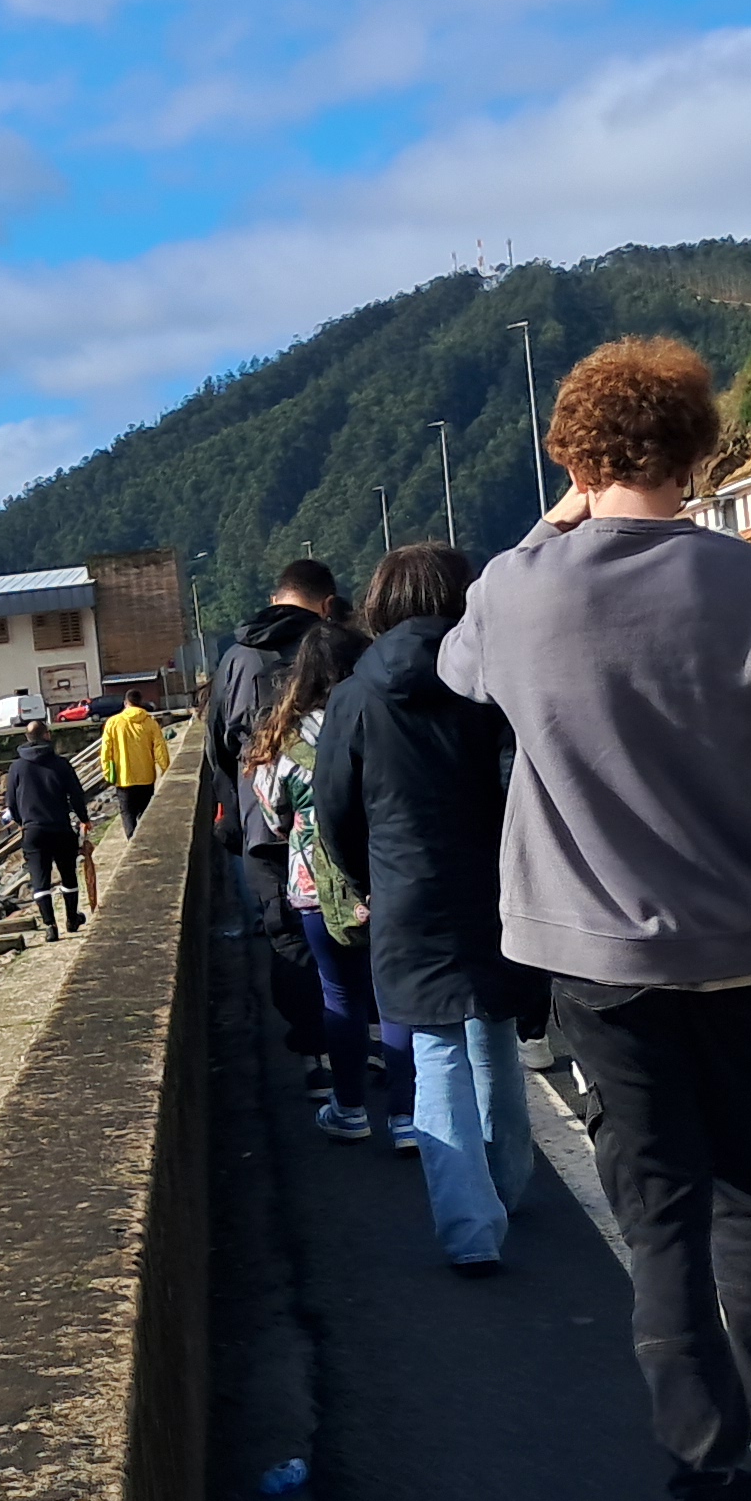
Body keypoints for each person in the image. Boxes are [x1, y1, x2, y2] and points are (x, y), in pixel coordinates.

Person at [439, 339, 751, 1501]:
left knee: (661, 1222)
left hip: (595, 962)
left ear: (573, 451)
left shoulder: (516, 591)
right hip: (745, 947)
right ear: (699, 448)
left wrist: (550, 523)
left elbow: (455, 673)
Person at [317, 541, 539, 1265]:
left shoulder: (355, 694)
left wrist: (367, 876)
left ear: (380, 604)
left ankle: (470, 1229)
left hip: (406, 890)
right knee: (495, 1035)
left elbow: (335, 812)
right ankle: (509, 1185)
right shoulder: (491, 678)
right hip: (497, 883)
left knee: (439, 1050)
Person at [204, 560, 344, 1076]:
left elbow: (217, 746)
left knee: (288, 936)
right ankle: (365, 1038)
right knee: (348, 925)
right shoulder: (335, 645)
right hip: (333, 812)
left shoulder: (237, 657)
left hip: (262, 820)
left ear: (275, 596)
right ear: (327, 604)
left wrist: (236, 815)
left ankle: (314, 1054)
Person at [250, 620, 380, 1136]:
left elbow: (273, 815)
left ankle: (348, 1108)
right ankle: (408, 1114)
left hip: (313, 886)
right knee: (388, 995)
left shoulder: (284, 739)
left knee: (339, 996)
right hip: (383, 875)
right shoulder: (378, 718)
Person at [3, 727, 92, 940]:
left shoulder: (17, 767)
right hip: (60, 827)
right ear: (47, 736)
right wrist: (83, 818)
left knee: (39, 879)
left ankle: (50, 926)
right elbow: (76, 795)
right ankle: (72, 918)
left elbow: (11, 803)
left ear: (27, 737)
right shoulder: (61, 764)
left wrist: (20, 821)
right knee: (68, 875)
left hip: (33, 831)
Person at [98, 693, 168, 832]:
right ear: (140, 702)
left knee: (127, 813)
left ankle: (132, 841)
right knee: (145, 812)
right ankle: (145, 839)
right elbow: (160, 748)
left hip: (124, 779)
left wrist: (108, 774)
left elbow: (106, 752)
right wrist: (165, 769)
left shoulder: (113, 722)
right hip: (146, 777)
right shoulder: (150, 722)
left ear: (126, 703)